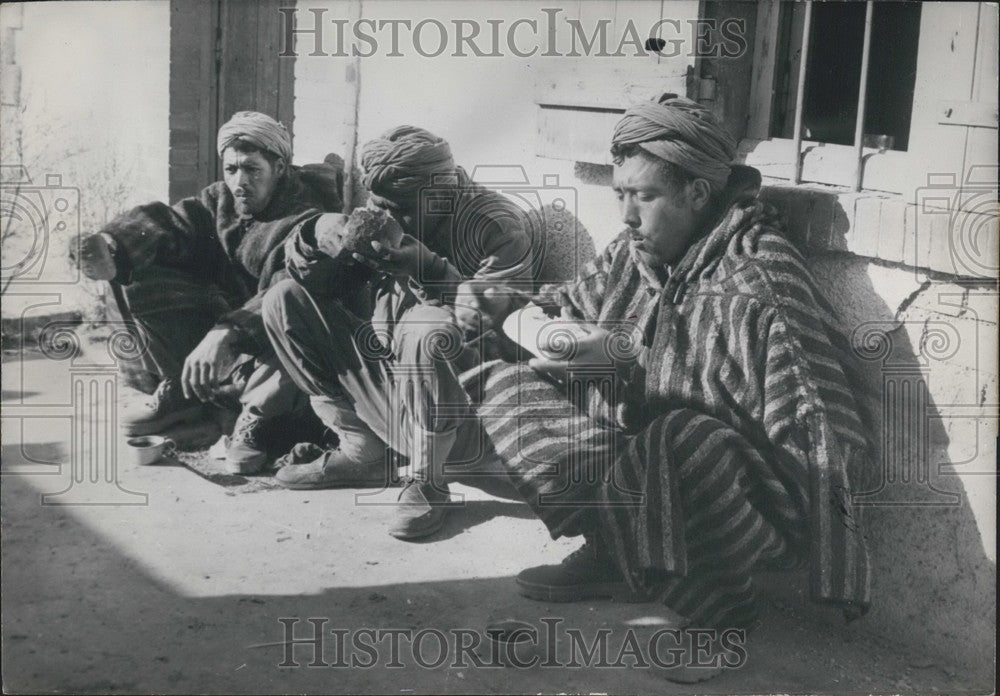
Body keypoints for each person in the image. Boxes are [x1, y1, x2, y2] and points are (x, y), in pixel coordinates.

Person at [456, 94, 872, 681]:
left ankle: (718, 620)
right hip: (646, 464)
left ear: (698, 194)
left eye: (643, 196)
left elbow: (817, 426)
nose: (626, 215)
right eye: (619, 194)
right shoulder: (635, 253)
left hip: (746, 495)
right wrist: (515, 316)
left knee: (683, 435)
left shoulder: (758, 274)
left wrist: (632, 359)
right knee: (503, 386)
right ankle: (615, 552)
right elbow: (564, 306)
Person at [262, 126, 534, 539]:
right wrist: (315, 236)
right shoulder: (394, 212)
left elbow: (487, 322)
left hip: (467, 421)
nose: (386, 217)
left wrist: (427, 267)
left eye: (398, 207)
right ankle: (365, 451)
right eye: (378, 204)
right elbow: (326, 285)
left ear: (440, 194)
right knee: (285, 299)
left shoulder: (496, 225)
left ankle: (428, 480)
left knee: (429, 327)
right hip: (393, 390)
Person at [77, 111, 343, 474]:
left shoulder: (303, 219)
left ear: (279, 169)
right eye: (231, 169)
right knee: (138, 269)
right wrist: (113, 244)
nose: (239, 182)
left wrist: (227, 331)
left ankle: (254, 419)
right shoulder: (220, 202)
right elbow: (170, 221)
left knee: (293, 322)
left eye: (252, 169)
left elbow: (286, 289)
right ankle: (184, 394)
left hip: (270, 337)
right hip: (230, 328)